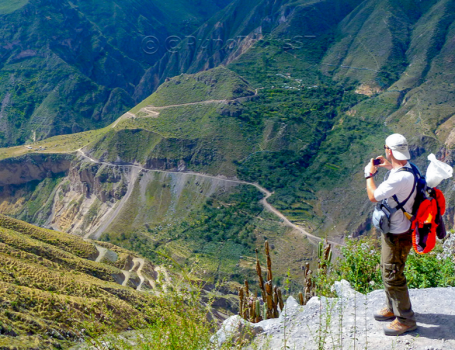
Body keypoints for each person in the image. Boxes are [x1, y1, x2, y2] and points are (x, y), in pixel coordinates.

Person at [365, 133, 417, 336]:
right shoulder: (409, 169)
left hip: (397, 234)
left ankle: (406, 319)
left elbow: (372, 196)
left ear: (389, 149)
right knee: (389, 270)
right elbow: (399, 173)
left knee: (393, 276)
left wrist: (369, 175)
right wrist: (387, 165)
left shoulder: (400, 177)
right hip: (398, 230)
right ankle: (392, 308)